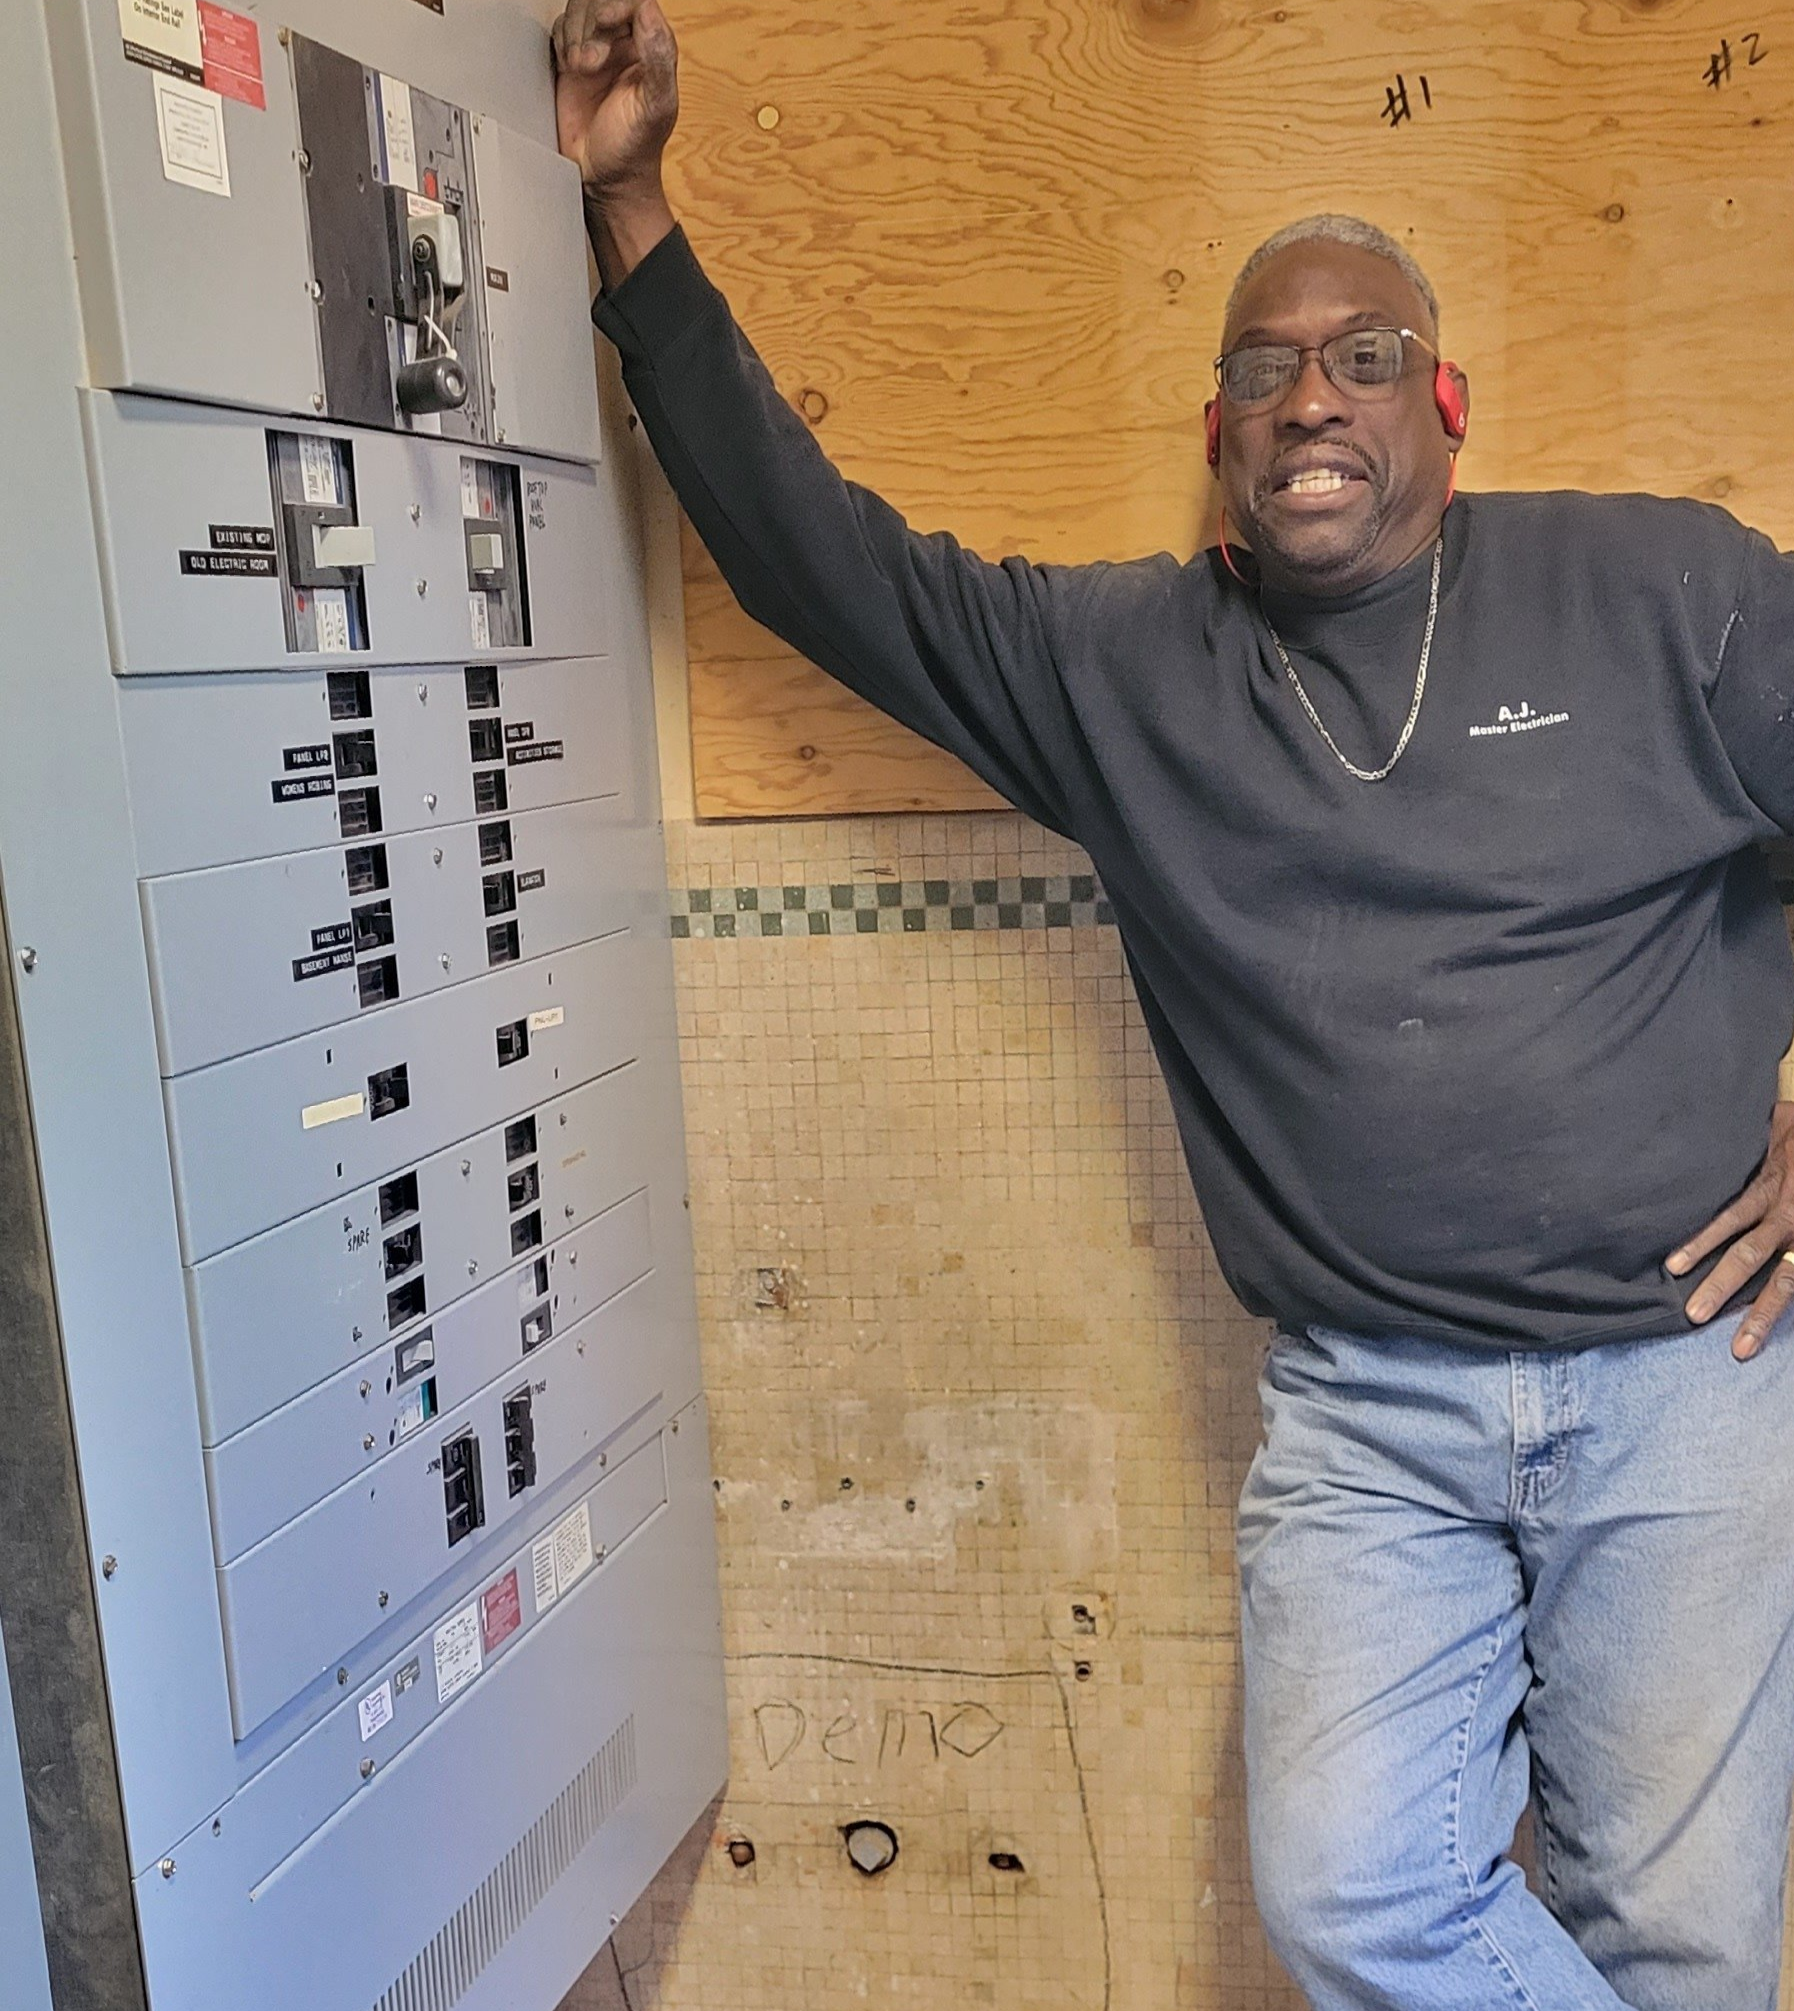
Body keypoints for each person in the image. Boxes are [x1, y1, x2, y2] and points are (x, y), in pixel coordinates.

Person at [551, 5, 1794, 2004]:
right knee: (1354, 1901)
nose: (1313, 393)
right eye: (1264, 366)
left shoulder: (1671, 594)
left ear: (1448, 408)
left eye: (1365, 356)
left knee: (1686, 1940)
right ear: (1221, 436)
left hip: (1686, 1384)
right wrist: (629, 194)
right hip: (1369, 1411)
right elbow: (815, 563)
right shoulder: (1126, 668)